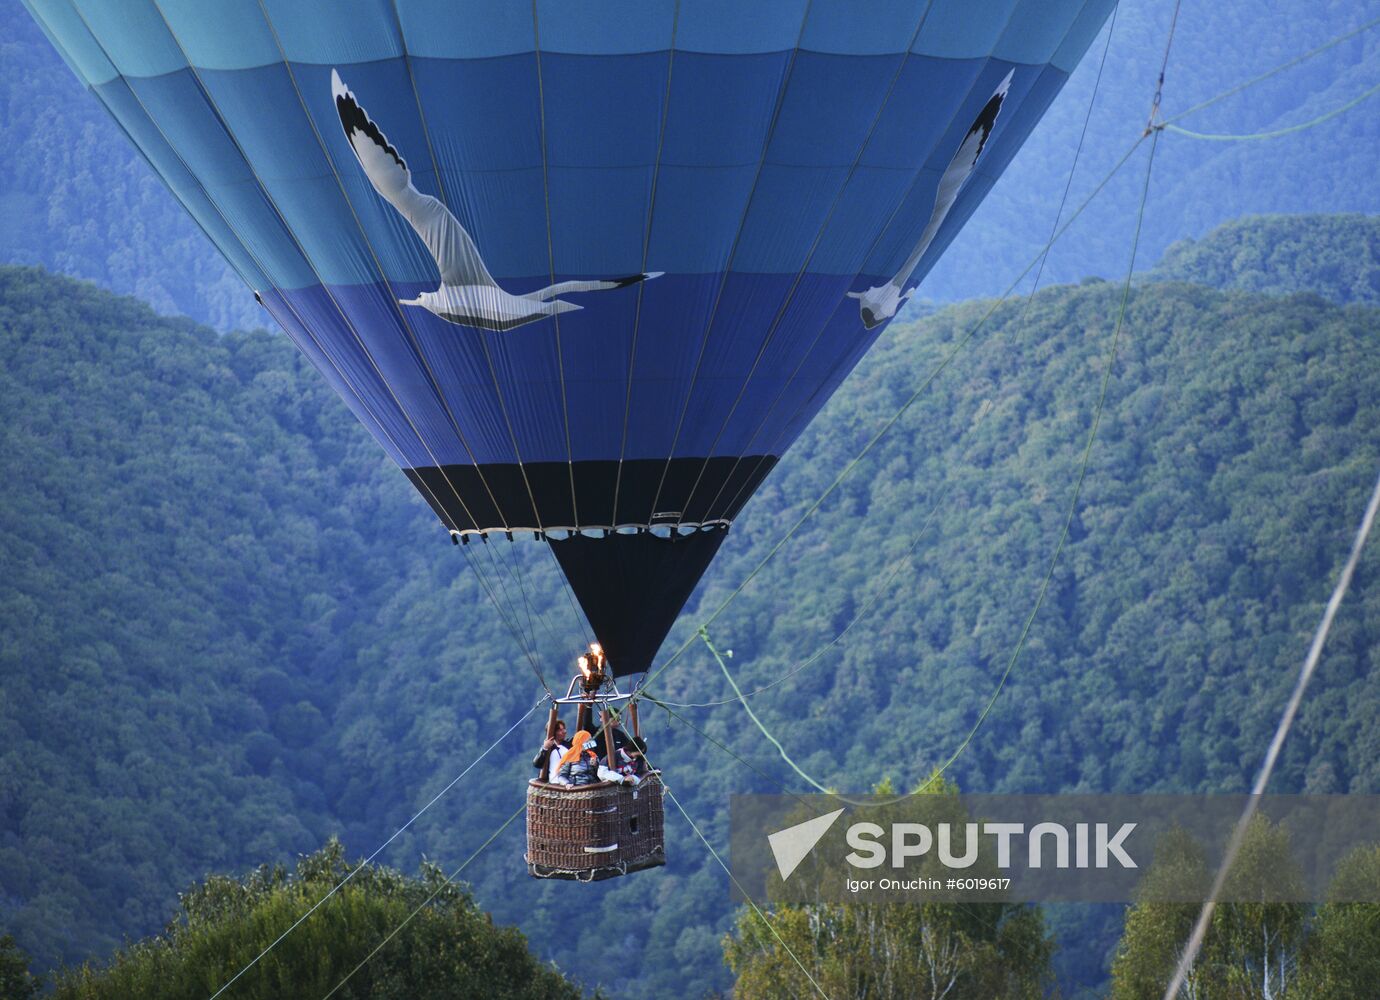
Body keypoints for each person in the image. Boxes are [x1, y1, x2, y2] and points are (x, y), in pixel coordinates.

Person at [551, 730, 633, 787]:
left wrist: (595, 766)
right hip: (577, 789)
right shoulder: (570, 757)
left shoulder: (593, 755)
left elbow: (599, 775)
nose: (590, 743)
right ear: (581, 742)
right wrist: (567, 784)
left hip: (593, 788)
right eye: (587, 741)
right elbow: (561, 776)